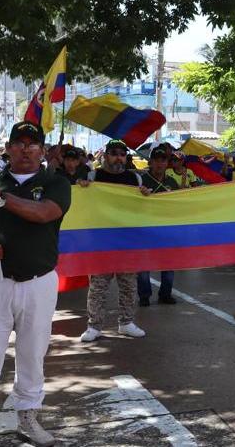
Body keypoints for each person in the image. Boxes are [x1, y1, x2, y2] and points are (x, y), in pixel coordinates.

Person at [0, 121, 70, 447]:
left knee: (33, 353)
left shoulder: (55, 183)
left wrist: (2, 199)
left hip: (39, 283)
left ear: (42, 150)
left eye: (32, 144)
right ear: (7, 148)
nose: (25, 149)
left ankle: (28, 418)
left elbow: (45, 213)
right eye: (18, 143)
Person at [77, 139, 148, 341]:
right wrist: (82, 188)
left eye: (122, 154)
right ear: (106, 156)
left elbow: (142, 208)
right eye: (114, 153)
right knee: (98, 287)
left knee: (128, 285)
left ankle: (126, 323)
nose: (118, 157)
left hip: (127, 241)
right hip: (100, 242)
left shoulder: (135, 179)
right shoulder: (93, 176)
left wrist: (145, 196)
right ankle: (94, 326)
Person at [138, 147, 180, 306]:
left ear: (167, 163)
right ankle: (144, 295)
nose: (159, 164)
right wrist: (139, 194)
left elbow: (178, 203)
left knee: (168, 264)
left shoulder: (171, 182)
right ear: (151, 162)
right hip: (145, 228)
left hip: (167, 229)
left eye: (163, 160)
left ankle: (165, 294)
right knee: (143, 265)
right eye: (156, 160)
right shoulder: (141, 180)